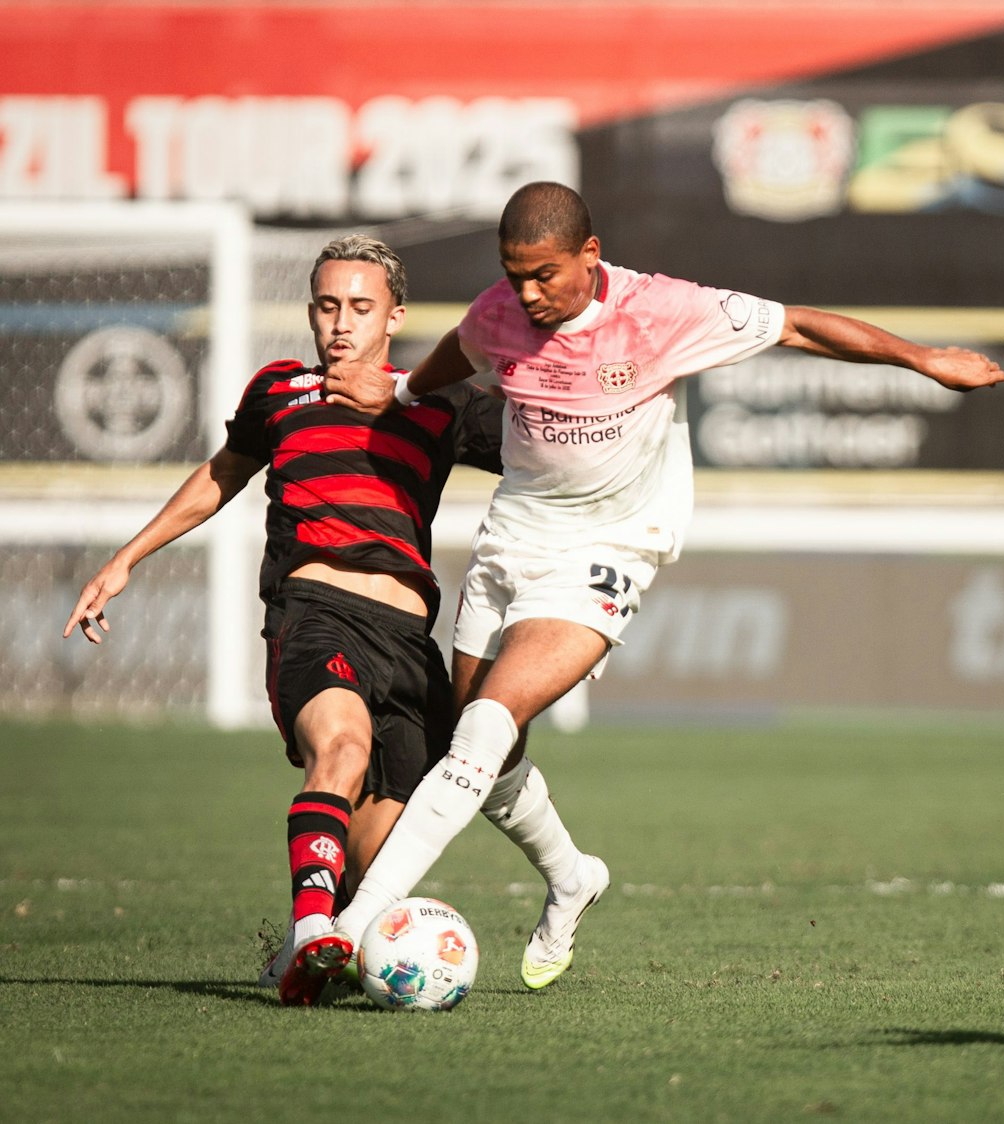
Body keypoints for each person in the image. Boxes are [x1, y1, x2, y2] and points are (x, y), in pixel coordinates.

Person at [308, 181, 1004, 986]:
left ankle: (347, 929)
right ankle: (573, 876)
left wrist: (923, 359)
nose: (529, 294)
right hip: (513, 537)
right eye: (515, 276)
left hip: (610, 546)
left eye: (545, 275)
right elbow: (460, 351)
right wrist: (398, 392)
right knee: (482, 750)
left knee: (481, 734)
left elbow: (802, 326)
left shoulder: (664, 312)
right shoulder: (499, 310)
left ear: (590, 256)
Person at [63, 235, 603, 1005]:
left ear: (395, 316)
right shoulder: (279, 392)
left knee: (375, 870)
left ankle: (311, 940)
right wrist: (127, 556)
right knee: (340, 751)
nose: (340, 324)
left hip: (410, 651)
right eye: (327, 306)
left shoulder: (436, 405)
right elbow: (224, 473)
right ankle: (316, 932)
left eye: (360, 307)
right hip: (316, 616)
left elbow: (546, 447)